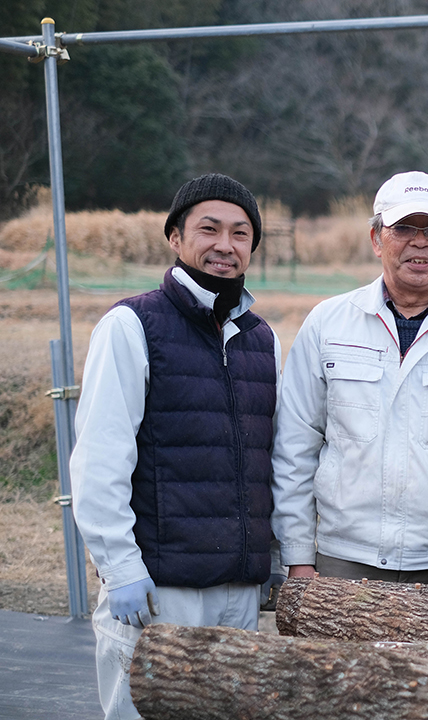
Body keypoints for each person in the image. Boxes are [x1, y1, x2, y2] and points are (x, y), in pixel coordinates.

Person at [70, 173, 282, 720]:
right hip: (159, 590)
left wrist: (272, 558)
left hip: (238, 590)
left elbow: (270, 463)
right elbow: (99, 460)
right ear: (175, 237)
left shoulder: (262, 339)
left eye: (240, 233)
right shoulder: (132, 325)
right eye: (208, 229)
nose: (224, 245)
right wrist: (119, 568)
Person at [272, 171, 428, 585]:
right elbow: (294, 446)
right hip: (345, 558)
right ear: (376, 239)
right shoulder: (327, 324)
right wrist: (299, 555)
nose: (420, 241)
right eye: (404, 227)